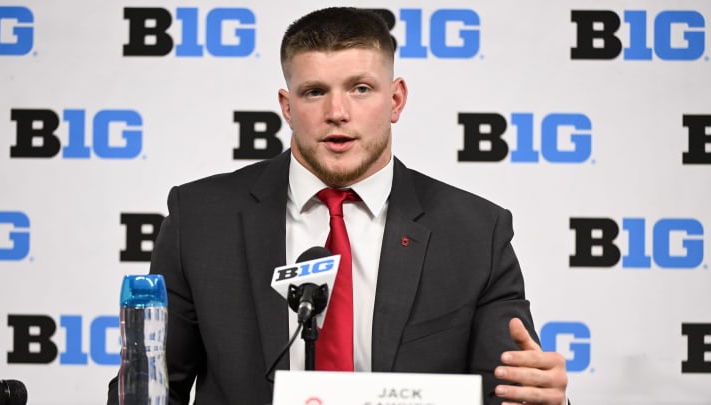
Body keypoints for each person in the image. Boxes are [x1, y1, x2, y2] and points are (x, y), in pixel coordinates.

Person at [108, 7, 568, 405]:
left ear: (396, 99)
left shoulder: (474, 231)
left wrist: (543, 397)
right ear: (287, 107)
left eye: (361, 88)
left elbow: (509, 388)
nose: (337, 112)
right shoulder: (201, 218)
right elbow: (153, 388)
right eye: (314, 92)